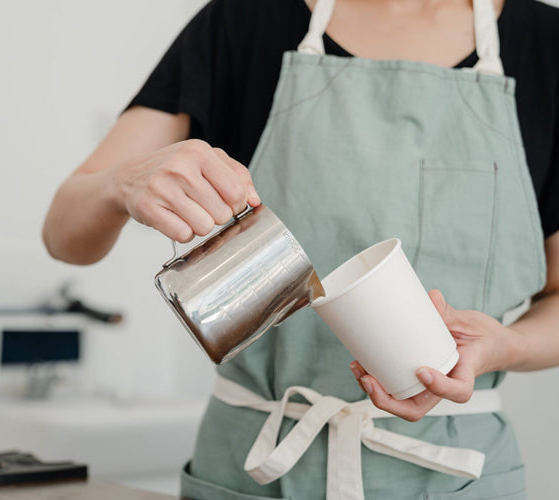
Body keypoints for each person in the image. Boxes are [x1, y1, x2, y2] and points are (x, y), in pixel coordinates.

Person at [43, 0, 559, 497]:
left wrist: (503, 346)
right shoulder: (242, 20)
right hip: (253, 469)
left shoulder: (546, 43)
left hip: (456, 478)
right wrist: (122, 183)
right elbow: (62, 234)